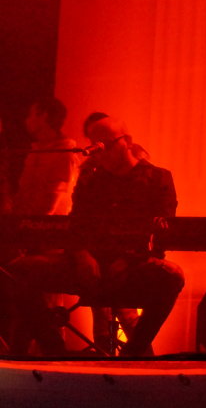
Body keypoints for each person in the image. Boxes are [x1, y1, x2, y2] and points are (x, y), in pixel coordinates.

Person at [5, 116, 184, 356]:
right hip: (88, 265)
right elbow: (76, 226)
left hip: (133, 266)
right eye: (94, 145)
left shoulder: (158, 178)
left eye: (105, 144)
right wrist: (81, 254)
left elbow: (160, 231)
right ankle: (54, 350)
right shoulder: (91, 180)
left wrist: (128, 260)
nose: (99, 150)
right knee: (17, 271)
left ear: (127, 141)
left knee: (171, 276)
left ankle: (135, 351)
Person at [11, 97, 80, 216]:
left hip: (47, 228)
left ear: (44, 116)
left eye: (30, 115)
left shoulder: (64, 153)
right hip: (27, 225)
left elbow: (51, 201)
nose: (26, 121)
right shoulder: (36, 151)